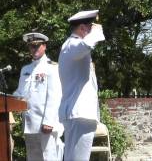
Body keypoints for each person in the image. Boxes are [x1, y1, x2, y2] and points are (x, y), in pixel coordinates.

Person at [58, 10, 105, 160]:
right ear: (83, 28)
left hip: (78, 114)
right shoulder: (73, 45)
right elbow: (85, 45)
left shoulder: (71, 46)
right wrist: (96, 33)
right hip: (79, 114)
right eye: (91, 26)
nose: (94, 29)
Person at [13, 32, 64, 161]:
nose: (34, 49)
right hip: (29, 124)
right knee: (33, 158)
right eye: (31, 46)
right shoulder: (25, 69)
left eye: (37, 46)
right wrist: (8, 98)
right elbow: (20, 94)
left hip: (45, 124)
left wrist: (48, 122)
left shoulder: (52, 68)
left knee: (49, 158)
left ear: (44, 46)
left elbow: (55, 96)